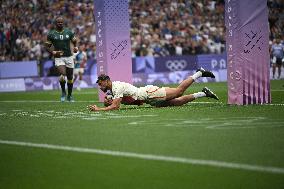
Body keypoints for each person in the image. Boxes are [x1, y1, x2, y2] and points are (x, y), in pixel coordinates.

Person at [88, 68, 219, 111]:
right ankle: (203, 93)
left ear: (107, 80)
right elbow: (135, 102)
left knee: (179, 91)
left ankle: (199, 73)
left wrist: (99, 109)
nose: (100, 86)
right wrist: (108, 102)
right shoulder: (113, 89)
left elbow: (116, 107)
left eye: (101, 84)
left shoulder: (116, 87)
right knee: (177, 102)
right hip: (148, 99)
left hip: (149, 94)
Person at [44, 16, 78, 102]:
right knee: (63, 74)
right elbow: (47, 46)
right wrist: (53, 52)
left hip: (69, 57)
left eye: (61, 22)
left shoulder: (69, 32)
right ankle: (63, 92)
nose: (60, 24)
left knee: (70, 77)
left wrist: (75, 47)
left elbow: (74, 40)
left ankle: (69, 95)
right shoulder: (51, 34)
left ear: (63, 23)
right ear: (56, 24)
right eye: (58, 22)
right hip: (59, 58)